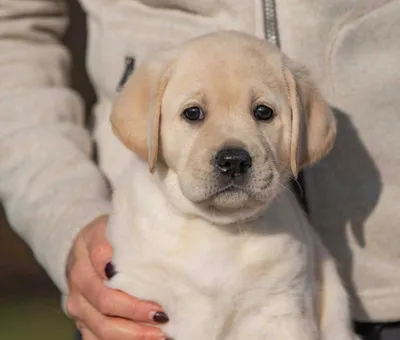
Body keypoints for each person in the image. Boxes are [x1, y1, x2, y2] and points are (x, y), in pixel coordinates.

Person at [1, 1, 399, 339]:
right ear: (150, 122)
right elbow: (12, 32)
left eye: (263, 112)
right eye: (193, 113)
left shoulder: (281, 243)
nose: (233, 154)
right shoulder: (132, 234)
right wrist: (64, 213)